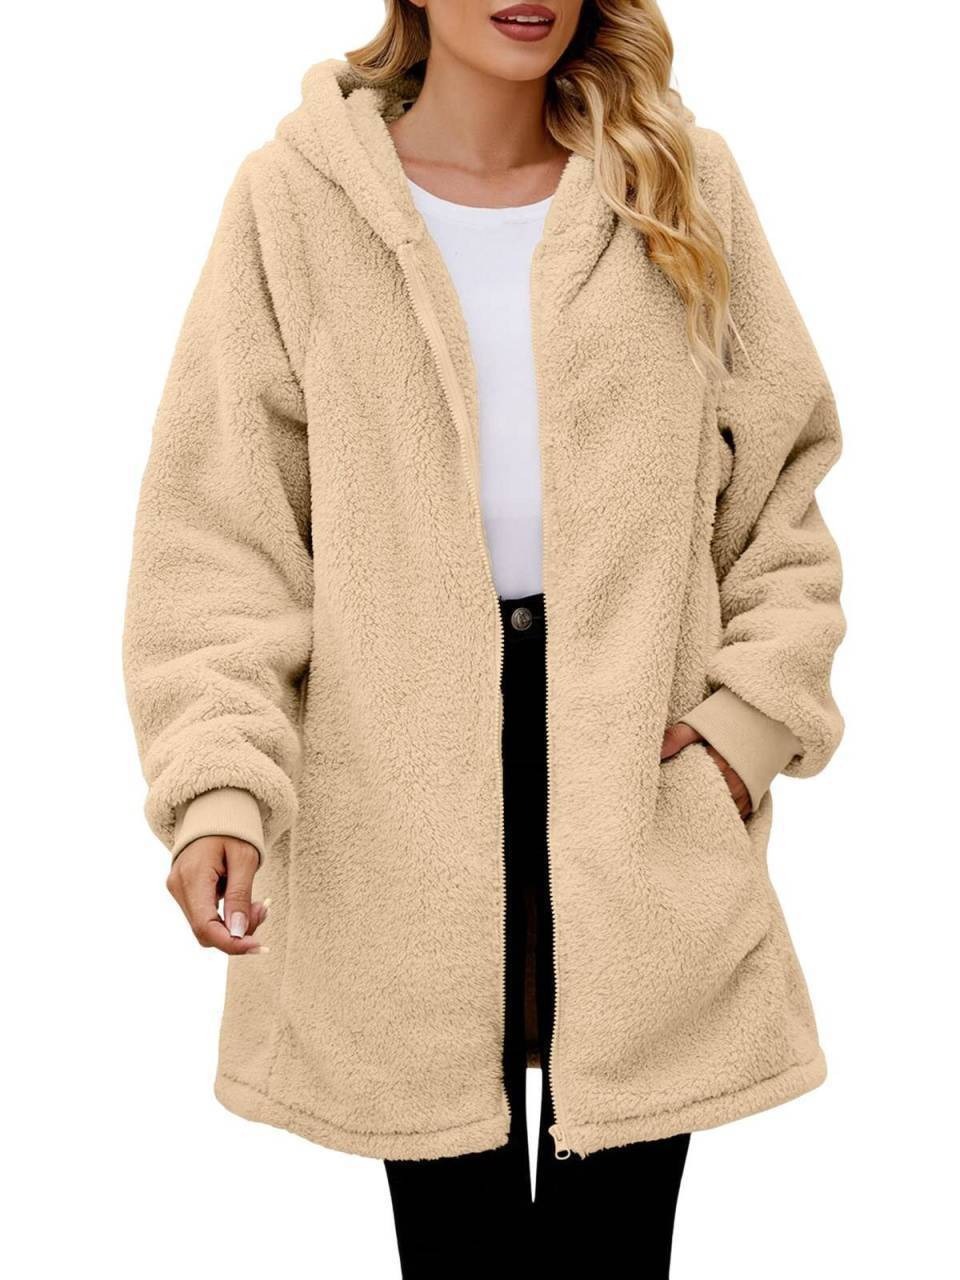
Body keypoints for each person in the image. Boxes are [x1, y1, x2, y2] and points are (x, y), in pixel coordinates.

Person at [122, 2, 846, 1275]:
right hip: (392, 788)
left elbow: (780, 496)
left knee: (613, 1247)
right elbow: (223, 536)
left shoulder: (679, 183)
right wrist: (219, 788)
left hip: (639, 768)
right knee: (457, 1251)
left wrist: (740, 737)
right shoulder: (296, 203)